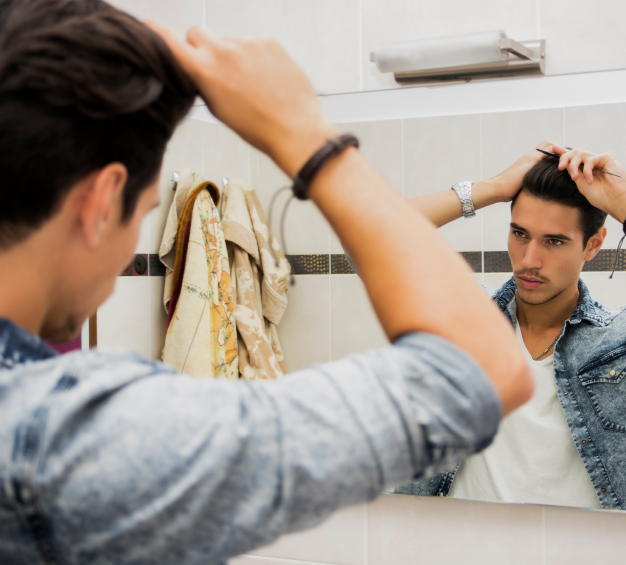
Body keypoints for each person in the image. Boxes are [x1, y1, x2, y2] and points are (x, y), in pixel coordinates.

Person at [0, 1, 534, 563]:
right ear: (102, 201)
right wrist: (305, 135)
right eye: (144, 212)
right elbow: (482, 371)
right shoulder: (70, 438)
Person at [396, 141, 626, 513]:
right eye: (520, 234)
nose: (529, 260)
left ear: (593, 244)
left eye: (554, 241)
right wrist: (496, 187)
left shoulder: (623, 338)